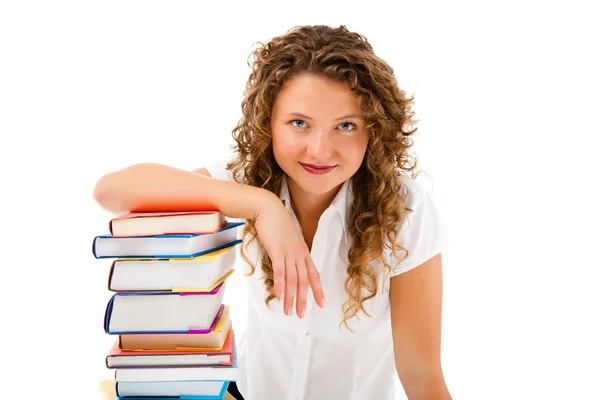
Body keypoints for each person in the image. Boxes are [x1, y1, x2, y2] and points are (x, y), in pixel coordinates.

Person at [93, 24, 452, 400]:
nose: (319, 150)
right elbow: (111, 191)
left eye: (345, 126)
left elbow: (422, 374)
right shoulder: (247, 180)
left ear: (374, 131)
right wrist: (263, 206)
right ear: (270, 123)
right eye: (299, 123)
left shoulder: (406, 211)